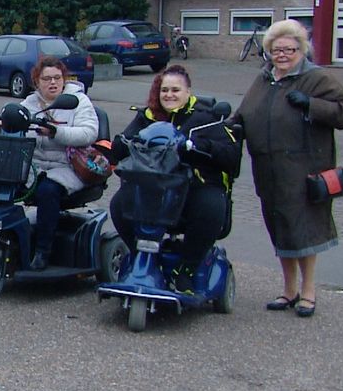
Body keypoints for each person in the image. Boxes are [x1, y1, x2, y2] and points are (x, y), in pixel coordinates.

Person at [235, 20, 343, 317]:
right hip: (268, 169)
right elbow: (245, 113)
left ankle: (309, 291)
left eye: (290, 49)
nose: (283, 55)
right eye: (277, 50)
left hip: (304, 169)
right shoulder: (264, 78)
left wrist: (311, 104)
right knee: (279, 227)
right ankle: (289, 289)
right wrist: (227, 126)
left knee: (303, 231)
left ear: (302, 50)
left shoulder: (316, 78)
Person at [109, 64, 241, 293]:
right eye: (165, 90)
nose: (169, 95)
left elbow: (232, 158)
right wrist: (123, 143)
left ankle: (187, 270)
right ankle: (144, 257)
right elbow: (120, 147)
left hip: (193, 189)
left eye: (175, 90)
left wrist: (197, 146)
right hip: (154, 190)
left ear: (188, 92)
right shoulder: (148, 117)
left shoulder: (205, 118)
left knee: (211, 205)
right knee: (119, 203)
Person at [19, 56, 99, 270]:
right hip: (35, 167)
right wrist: (6, 124)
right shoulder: (30, 103)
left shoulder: (77, 101)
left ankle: (43, 250)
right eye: (46, 79)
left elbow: (89, 132)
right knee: (2, 184)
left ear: (64, 79)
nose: (52, 83)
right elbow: (15, 120)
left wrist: (56, 132)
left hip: (68, 167)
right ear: (37, 82)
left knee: (47, 191)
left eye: (57, 78)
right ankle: (10, 239)